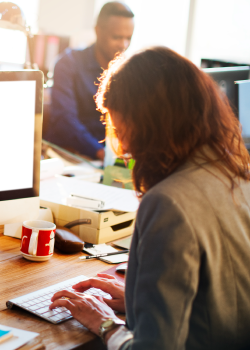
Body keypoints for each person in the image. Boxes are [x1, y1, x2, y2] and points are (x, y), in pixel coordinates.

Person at [49, 47, 250, 349]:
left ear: (151, 126)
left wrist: (104, 321)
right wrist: (138, 302)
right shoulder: (236, 175)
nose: (124, 149)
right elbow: (218, 304)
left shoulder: (168, 202)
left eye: (121, 131)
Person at [44, 2, 134, 160]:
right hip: (69, 155)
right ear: (98, 31)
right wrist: (100, 153)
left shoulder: (129, 71)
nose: (123, 45)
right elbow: (64, 120)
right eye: (117, 37)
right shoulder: (68, 63)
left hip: (108, 158)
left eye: (128, 38)